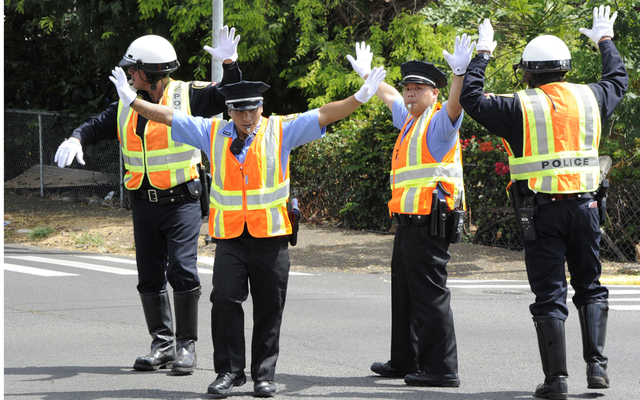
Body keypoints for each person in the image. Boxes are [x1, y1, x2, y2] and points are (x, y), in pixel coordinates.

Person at [109, 62, 387, 396]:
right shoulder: (213, 133)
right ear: (228, 111)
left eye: (252, 110)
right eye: (239, 111)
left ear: (261, 108)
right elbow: (169, 116)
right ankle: (228, 372)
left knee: (270, 308)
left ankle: (264, 375)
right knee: (224, 300)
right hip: (230, 238)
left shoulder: (280, 130)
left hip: (270, 237)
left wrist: (360, 96)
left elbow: (324, 114)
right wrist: (132, 102)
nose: (247, 118)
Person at [459, 7, 628, 399]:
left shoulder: (520, 106)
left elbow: (470, 97)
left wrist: (483, 52)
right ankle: (597, 367)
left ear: (529, 72)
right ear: (565, 68)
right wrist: (605, 40)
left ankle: (557, 381)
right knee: (591, 286)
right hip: (587, 209)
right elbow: (617, 80)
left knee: (550, 295)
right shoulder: (591, 97)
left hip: (541, 212)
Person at [53, 27, 243, 375]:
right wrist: (77, 138)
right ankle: (162, 345)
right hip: (143, 202)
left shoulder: (187, 95)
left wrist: (229, 65)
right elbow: (97, 125)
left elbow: (232, 96)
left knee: (182, 270)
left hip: (182, 200)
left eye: (132, 68)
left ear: (151, 72)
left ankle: (186, 346)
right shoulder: (126, 100)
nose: (127, 73)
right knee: (149, 275)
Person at [347, 37, 473, 387]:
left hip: (429, 223)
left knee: (430, 296)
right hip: (408, 223)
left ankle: (441, 369)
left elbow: (456, 104)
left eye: (419, 89)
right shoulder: (409, 120)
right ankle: (405, 359)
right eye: (408, 88)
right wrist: (369, 75)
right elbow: (387, 95)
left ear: (435, 93)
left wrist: (459, 74)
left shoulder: (438, 124)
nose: (410, 93)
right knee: (403, 293)